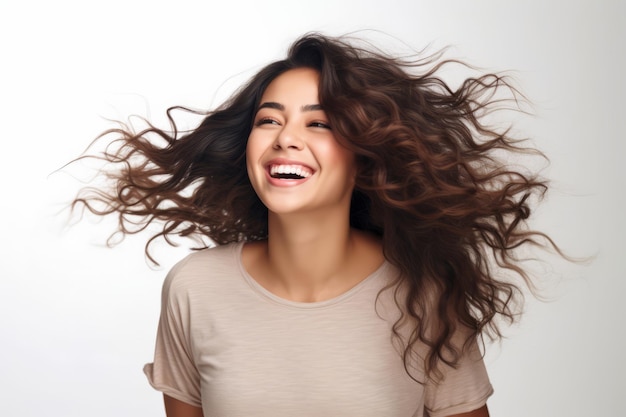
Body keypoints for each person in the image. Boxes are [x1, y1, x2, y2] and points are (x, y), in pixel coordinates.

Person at [70, 32, 561, 417]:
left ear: (362, 156)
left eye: (319, 123)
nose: (287, 139)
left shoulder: (424, 290)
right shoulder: (194, 288)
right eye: (268, 120)